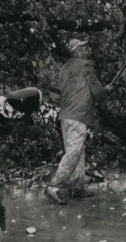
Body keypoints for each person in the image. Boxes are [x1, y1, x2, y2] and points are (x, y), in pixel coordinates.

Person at [45, 38, 109, 205]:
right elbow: (97, 90)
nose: (87, 49)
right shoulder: (86, 65)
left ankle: (77, 186)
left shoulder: (64, 68)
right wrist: (107, 89)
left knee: (78, 151)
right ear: (77, 51)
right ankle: (54, 186)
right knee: (74, 152)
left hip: (66, 115)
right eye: (83, 47)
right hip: (78, 114)